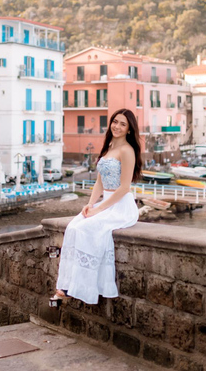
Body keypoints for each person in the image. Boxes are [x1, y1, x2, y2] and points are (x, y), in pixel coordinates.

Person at [53, 108, 142, 305]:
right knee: (73, 227)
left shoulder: (127, 151)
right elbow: (99, 183)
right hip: (105, 202)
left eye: (122, 124)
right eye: (115, 122)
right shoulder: (109, 148)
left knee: (87, 229)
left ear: (129, 129)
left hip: (121, 205)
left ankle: (82, 287)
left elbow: (124, 187)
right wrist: (90, 204)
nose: (117, 126)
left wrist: (99, 210)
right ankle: (68, 284)